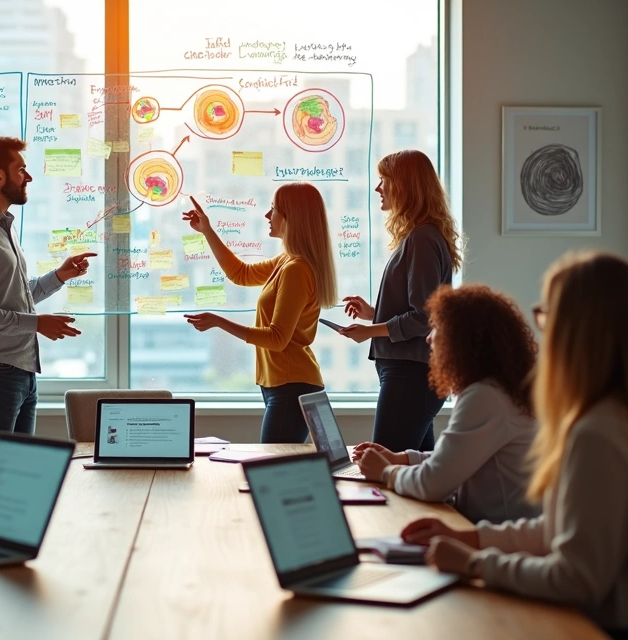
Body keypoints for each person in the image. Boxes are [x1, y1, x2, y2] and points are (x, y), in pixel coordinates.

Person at [402, 252, 628, 639]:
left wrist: (475, 563)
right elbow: (565, 529)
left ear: (574, 331)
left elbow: (576, 580)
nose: (541, 329)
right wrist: (472, 539)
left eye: (545, 314)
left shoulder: (599, 434)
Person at [0, 136, 95, 441]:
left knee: (17, 466)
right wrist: (35, 323)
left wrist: (59, 276)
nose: (29, 177)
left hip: (19, 371)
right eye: (21, 170)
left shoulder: (2, 228)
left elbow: (13, 297)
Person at [350, 284, 540, 524]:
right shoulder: (499, 390)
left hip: (491, 534)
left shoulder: (485, 396)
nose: (429, 338)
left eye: (436, 328)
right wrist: (402, 459)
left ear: (462, 339)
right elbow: (456, 458)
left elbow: (432, 484)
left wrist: (386, 472)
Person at [181, 182, 338, 443]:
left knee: (273, 464)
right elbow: (240, 273)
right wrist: (207, 230)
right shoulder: (287, 262)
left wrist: (219, 321)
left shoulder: (296, 269)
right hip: (285, 384)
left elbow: (277, 339)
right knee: (279, 463)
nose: (267, 215)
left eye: (273, 209)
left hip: (291, 387)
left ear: (291, 218)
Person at [339, 149, 462, 452]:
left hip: (410, 374)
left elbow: (423, 317)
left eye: (384, 180)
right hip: (413, 374)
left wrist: (370, 331)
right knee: (413, 467)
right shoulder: (422, 237)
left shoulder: (421, 238)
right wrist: (374, 313)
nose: (377, 188)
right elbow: (417, 310)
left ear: (404, 186)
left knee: (384, 464)